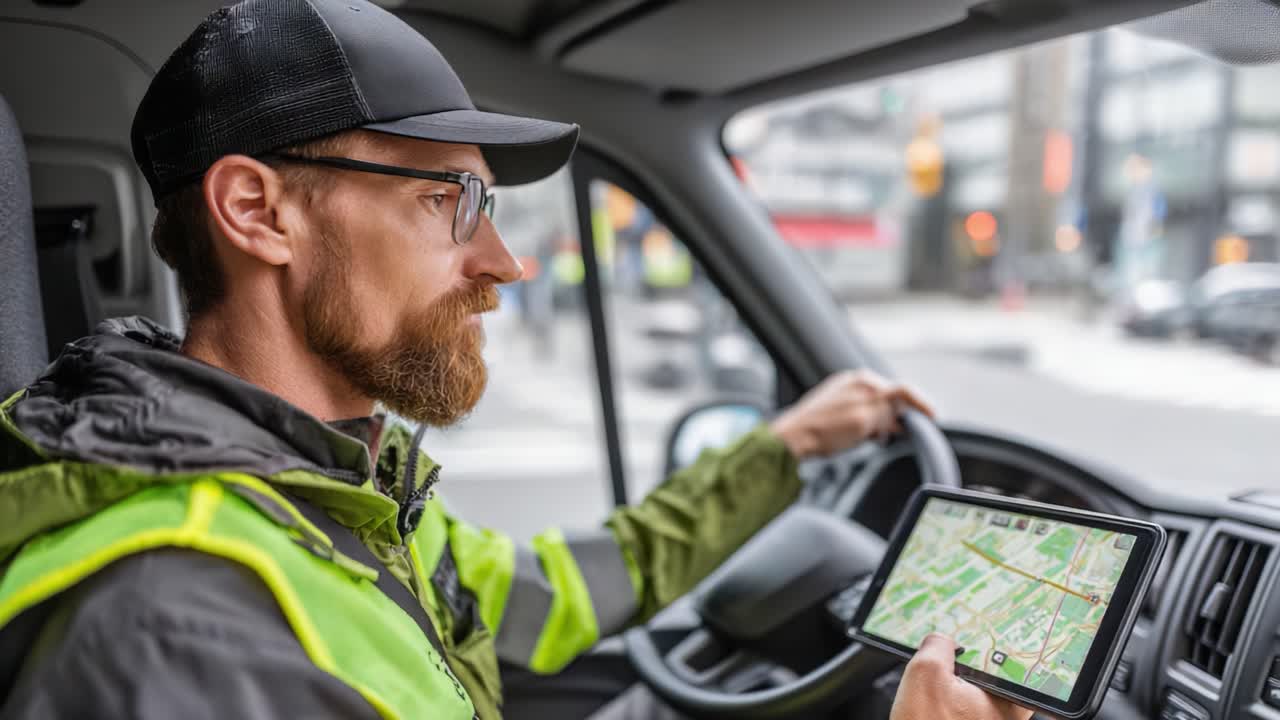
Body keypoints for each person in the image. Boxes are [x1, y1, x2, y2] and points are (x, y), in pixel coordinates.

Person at [0, 2, 1031, 719]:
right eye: (444, 200)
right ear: (256, 211)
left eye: (485, 204)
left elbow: (558, 593)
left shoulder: (338, 491)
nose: (503, 261)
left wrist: (783, 448)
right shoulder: (178, 632)